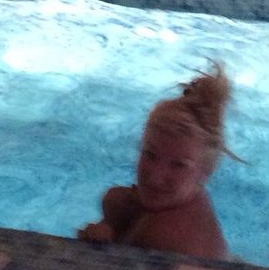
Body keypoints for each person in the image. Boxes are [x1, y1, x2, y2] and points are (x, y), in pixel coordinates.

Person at [77, 62, 233, 260]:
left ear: (206, 172)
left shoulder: (163, 236)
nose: (155, 177)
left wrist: (97, 247)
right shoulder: (190, 198)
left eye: (179, 165)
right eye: (150, 154)